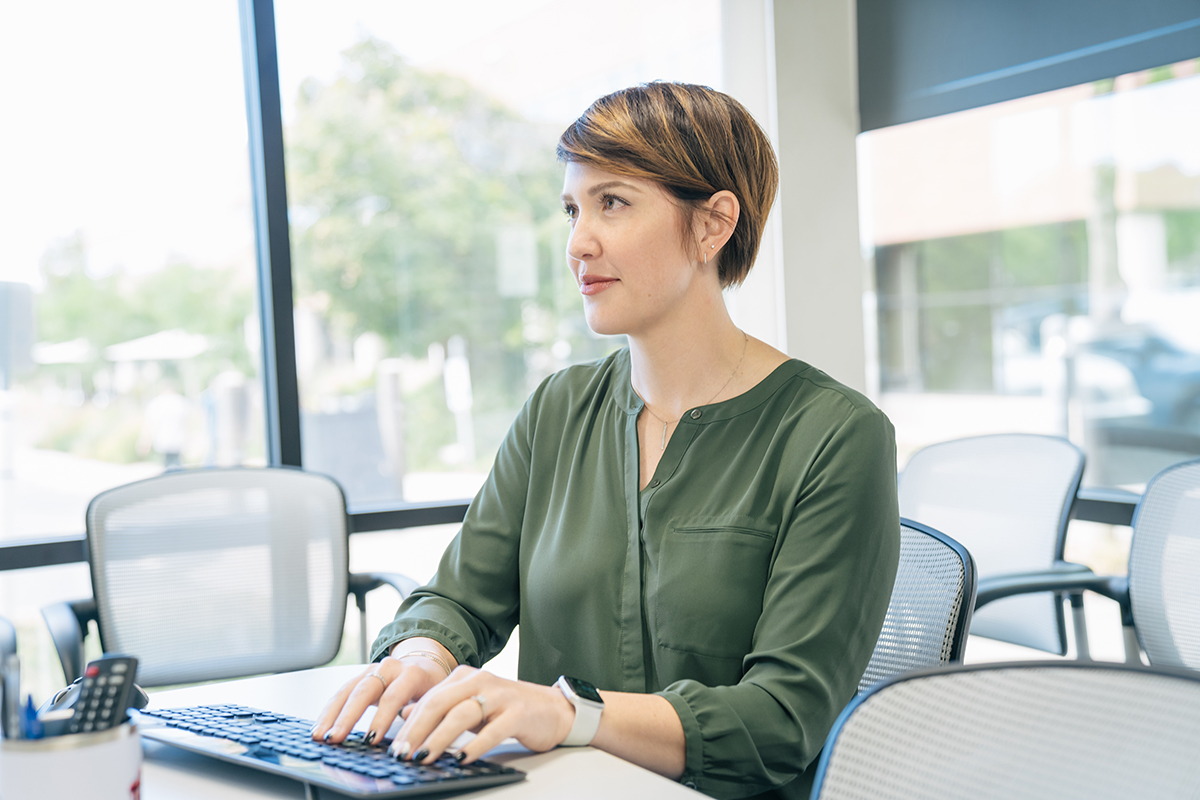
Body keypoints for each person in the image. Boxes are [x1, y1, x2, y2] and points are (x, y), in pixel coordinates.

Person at [313, 82, 900, 799]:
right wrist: (421, 657)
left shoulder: (835, 436)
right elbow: (460, 601)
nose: (577, 242)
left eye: (613, 203)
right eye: (572, 209)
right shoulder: (558, 410)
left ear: (713, 224)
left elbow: (782, 719)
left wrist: (567, 714)